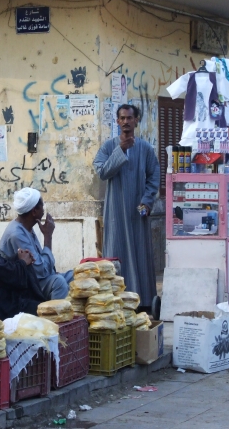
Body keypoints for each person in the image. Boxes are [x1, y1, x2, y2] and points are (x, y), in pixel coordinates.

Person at [93, 104, 160, 310]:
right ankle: (116, 301)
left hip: (138, 211)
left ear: (136, 121)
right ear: (117, 121)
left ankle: (144, 303)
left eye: (129, 118)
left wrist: (148, 201)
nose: (125, 122)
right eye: (121, 118)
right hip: (115, 211)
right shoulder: (108, 147)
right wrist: (120, 150)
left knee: (140, 254)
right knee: (116, 253)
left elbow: (154, 177)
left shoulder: (146, 149)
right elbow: (102, 172)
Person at [0, 188, 73, 300]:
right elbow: (41, 272)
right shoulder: (16, 234)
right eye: (42, 206)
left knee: (77, 275)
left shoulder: (26, 227)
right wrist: (48, 237)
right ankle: (57, 316)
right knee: (59, 283)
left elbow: (43, 266)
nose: (43, 211)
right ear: (34, 211)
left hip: (38, 279)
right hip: (25, 285)